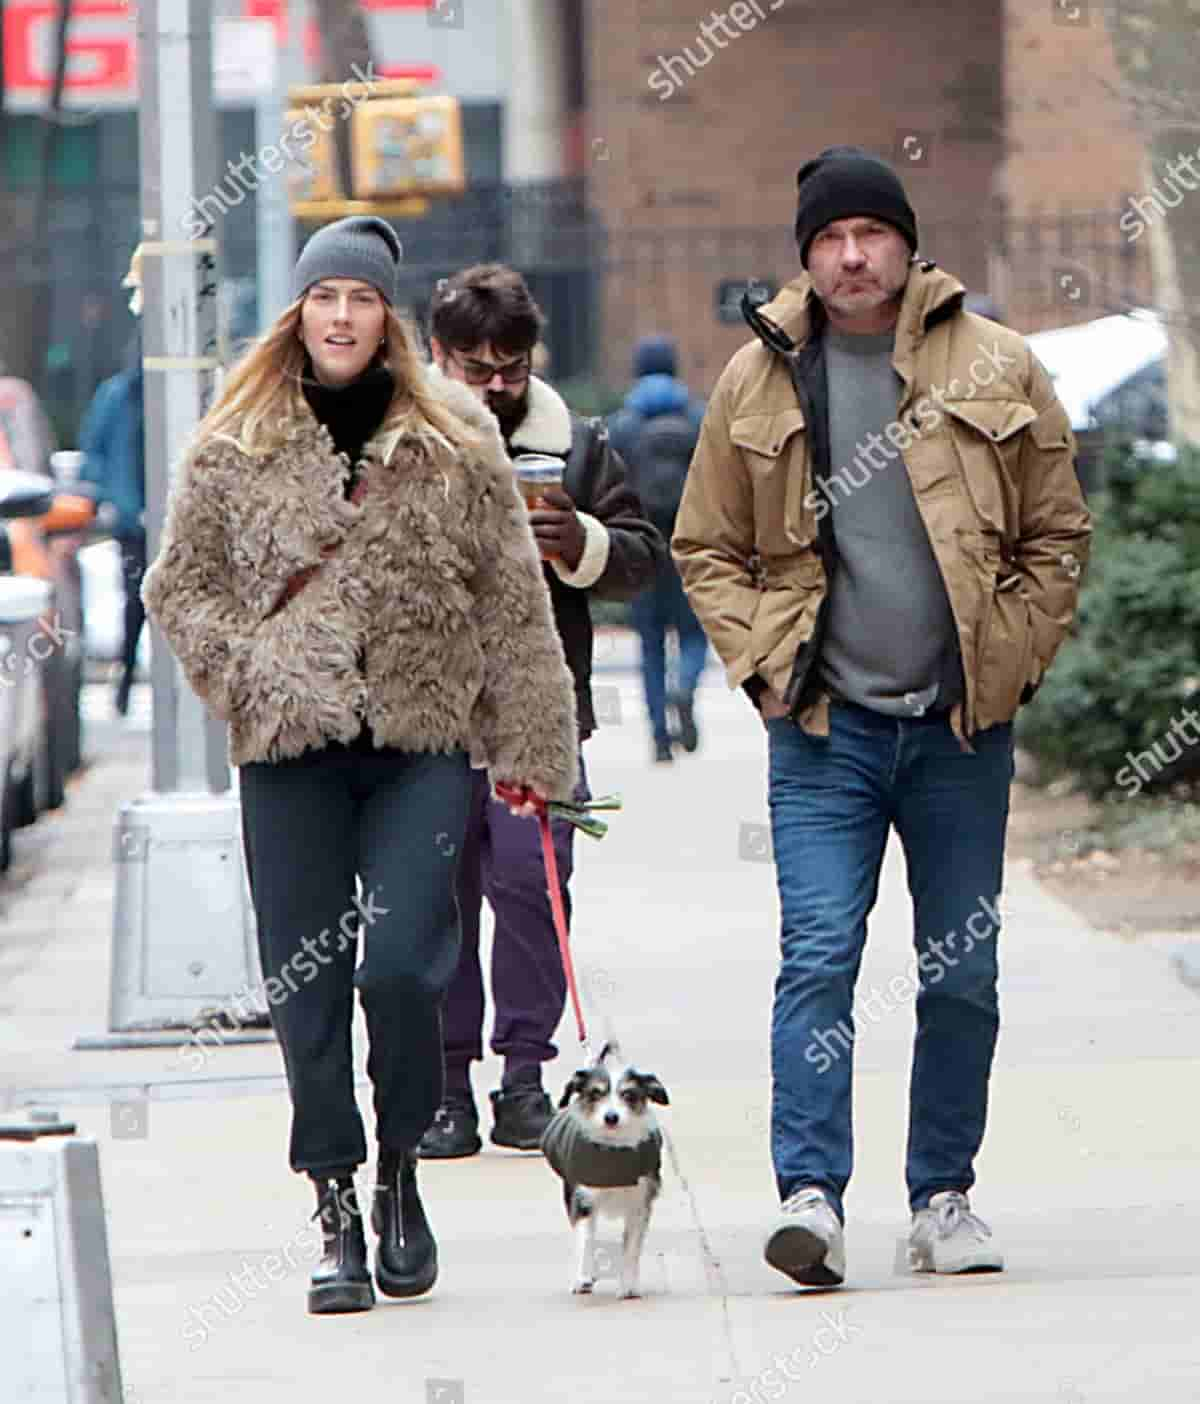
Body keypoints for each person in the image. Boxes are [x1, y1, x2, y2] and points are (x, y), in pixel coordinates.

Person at [141, 218, 579, 1316]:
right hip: (290, 747)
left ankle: (400, 1174)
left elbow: (514, 605)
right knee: (307, 982)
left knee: (400, 966)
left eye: (363, 298)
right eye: (325, 297)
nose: (342, 316)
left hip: (419, 742)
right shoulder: (233, 443)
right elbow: (177, 589)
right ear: (298, 312)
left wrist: (533, 749)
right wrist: (248, 669)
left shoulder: (460, 438)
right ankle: (334, 1203)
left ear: (390, 319)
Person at [673, 146, 1091, 1288]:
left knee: (961, 972)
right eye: (831, 237)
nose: (854, 255)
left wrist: (1005, 664)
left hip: (961, 732)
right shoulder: (757, 379)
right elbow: (704, 544)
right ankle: (810, 1197)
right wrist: (767, 669)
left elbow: (1058, 532)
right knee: (819, 954)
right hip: (825, 731)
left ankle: (942, 1198)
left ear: (908, 245)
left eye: (873, 233)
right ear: (805, 254)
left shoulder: (997, 361)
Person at [417, 264, 662, 1159]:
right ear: (435, 354)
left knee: (533, 888)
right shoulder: (399, 438)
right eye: (472, 365)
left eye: (510, 367)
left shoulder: (580, 446)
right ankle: (445, 1087)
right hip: (430, 722)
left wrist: (582, 544)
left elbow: (643, 557)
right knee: (434, 905)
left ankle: (523, 1076)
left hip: (539, 716)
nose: (492, 384)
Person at [609, 336, 710, 764]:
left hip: (641, 548)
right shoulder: (697, 417)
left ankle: (658, 739)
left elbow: (607, 488)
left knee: (650, 644)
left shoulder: (622, 425)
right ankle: (684, 684)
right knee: (694, 631)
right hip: (690, 545)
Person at [79, 334, 146, 718]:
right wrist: (109, 500)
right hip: (130, 521)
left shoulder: (175, 396)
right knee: (135, 603)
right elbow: (95, 451)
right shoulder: (116, 397)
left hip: (170, 520)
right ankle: (125, 678)